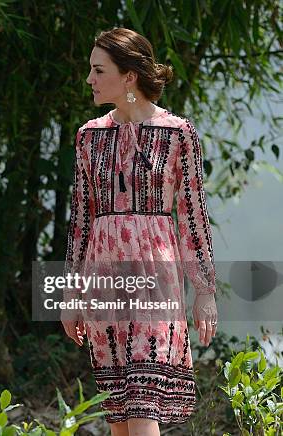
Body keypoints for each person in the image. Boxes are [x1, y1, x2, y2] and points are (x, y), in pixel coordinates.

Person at [62, 28, 217, 436]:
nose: (89, 79)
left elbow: (192, 215)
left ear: (129, 76)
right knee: (119, 416)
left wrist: (204, 290)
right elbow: (80, 220)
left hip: (155, 281)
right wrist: (70, 293)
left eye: (99, 70)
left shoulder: (177, 134)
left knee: (144, 401)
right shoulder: (88, 136)